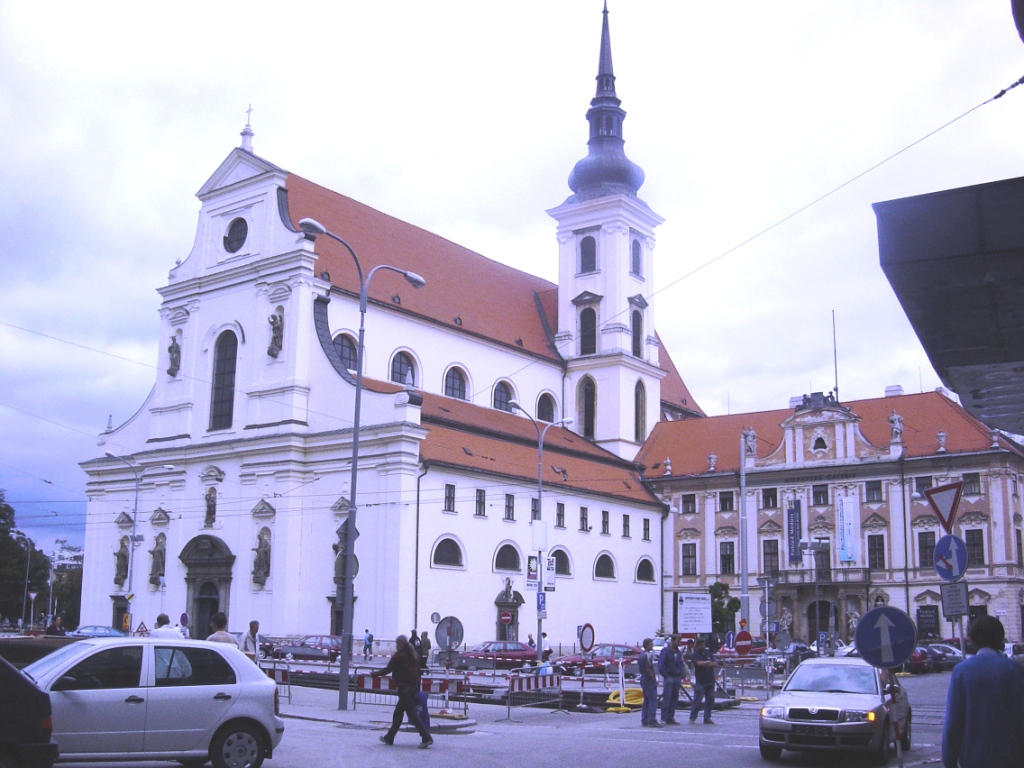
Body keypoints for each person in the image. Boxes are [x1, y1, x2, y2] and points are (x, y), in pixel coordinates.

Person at [942, 615, 1024, 768]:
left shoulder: (961, 671)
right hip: (1012, 758)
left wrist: (949, 762)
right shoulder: (1015, 670)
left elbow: (953, 723)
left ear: (972, 640)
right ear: (1000, 637)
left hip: (973, 759)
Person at [372, 635, 433, 748]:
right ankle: (389, 737)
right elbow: (418, 672)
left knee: (412, 714)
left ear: (400, 644)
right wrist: (417, 686)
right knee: (398, 713)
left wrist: (374, 674)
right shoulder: (413, 654)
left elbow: (387, 669)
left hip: (404, 689)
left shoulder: (399, 656)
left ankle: (426, 737)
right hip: (412, 687)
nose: (396, 646)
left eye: (396, 644)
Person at [687, 637, 717, 724]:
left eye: (703, 644)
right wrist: (707, 662)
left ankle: (707, 717)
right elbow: (698, 663)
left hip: (710, 680)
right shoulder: (695, 655)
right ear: (697, 646)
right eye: (700, 645)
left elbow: (714, 663)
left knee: (710, 700)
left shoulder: (708, 653)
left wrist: (704, 663)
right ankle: (692, 717)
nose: (702, 646)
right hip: (700, 682)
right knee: (697, 701)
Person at [657, 634, 684, 725]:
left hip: (676, 677)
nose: (679, 643)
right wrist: (666, 675)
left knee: (674, 698)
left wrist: (680, 674)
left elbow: (680, 663)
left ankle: (671, 717)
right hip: (669, 677)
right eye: (677, 641)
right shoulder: (665, 651)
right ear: (672, 641)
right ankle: (664, 717)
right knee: (667, 698)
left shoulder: (678, 652)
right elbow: (661, 664)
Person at [639, 638, 661, 727]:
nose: (652, 646)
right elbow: (648, 669)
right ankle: (652, 720)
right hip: (648, 680)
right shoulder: (647, 656)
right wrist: (653, 679)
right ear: (647, 645)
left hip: (643, 679)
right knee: (652, 700)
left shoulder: (641, 655)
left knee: (646, 701)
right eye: (651, 644)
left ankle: (644, 719)